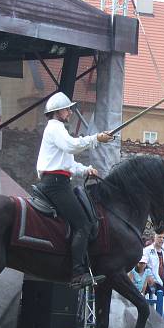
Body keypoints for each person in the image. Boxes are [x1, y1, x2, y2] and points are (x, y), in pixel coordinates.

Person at [36, 92, 113, 288]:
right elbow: (72, 146)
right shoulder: (55, 127)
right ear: (57, 111)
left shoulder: (58, 130)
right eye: (67, 109)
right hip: (55, 185)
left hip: (58, 181)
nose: (70, 112)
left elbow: (69, 163)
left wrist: (86, 169)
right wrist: (96, 138)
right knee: (83, 225)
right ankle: (78, 273)